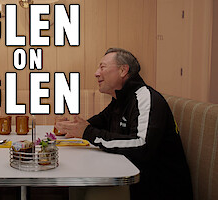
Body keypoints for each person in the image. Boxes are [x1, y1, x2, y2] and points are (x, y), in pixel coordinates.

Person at [55, 48, 193, 200]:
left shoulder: (144, 97)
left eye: (102, 67)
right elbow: (100, 121)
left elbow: (142, 146)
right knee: (77, 187)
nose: (96, 73)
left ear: (123, 70)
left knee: (90, 191)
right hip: (132, 178)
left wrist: (86, 132)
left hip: (156, 188)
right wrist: (74, 127)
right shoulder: (120, 99)